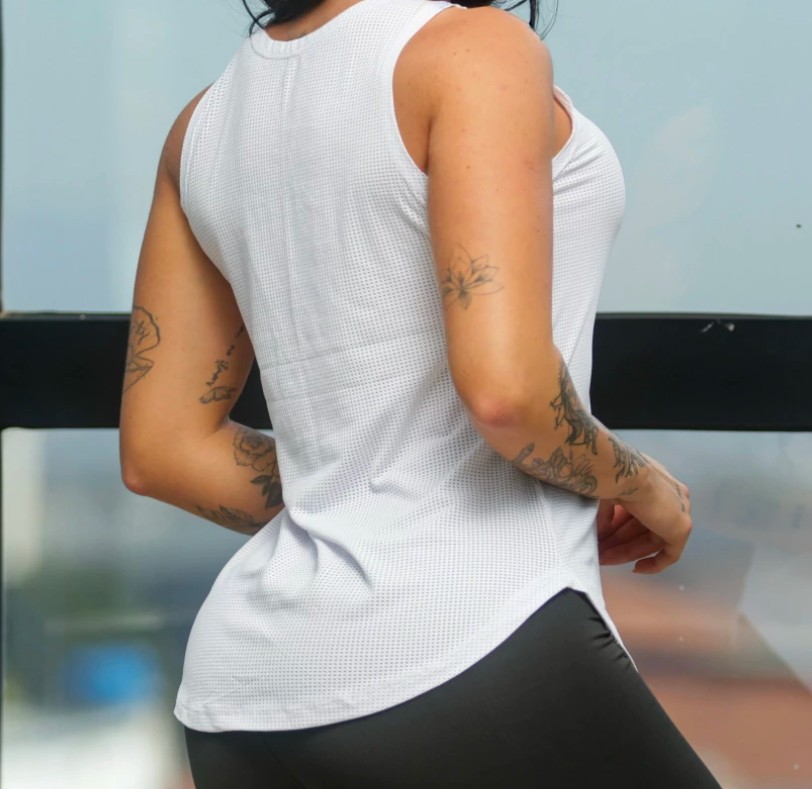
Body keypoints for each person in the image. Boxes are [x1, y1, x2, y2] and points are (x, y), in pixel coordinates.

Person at [119, 0, 723, 785]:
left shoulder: (202, 126)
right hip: (462, 647)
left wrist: (361, 499)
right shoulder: (475, 51)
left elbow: (162, 451)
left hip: (243, 699)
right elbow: (507, 395)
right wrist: (643, 487)